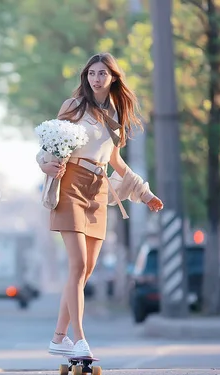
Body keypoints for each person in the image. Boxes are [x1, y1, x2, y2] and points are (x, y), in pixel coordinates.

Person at [37, 53, 164, 358]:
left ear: (113, 79)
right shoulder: (73, 106)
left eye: (102, 74)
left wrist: (145, 193)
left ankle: (59, 337)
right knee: (77, 265)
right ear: (86, 76)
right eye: (92, 73)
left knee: (86, 270)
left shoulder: (117, 116)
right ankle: (80, 341)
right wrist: (45, 164)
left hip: (98, 191)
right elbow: (46, 147)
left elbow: (116, 162)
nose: (96, 78)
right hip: (70, 185)